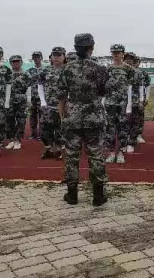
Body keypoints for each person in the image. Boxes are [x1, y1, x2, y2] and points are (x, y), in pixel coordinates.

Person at [57, 33, 109, 206]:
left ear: (75, 48)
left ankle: (72, 194)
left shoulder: (67, 69)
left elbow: (61, 95)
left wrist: (63, 115)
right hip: (94, 115)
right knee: (96, 155)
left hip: (73, 115)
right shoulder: (100, 69)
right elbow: (103, 92)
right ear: (91, 48)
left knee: (72, 155)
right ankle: (98, 195)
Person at [104, 44, 134, 164]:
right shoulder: (107, 69)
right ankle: (111, 152)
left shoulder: (128, 69)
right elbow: (104, 88)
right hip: (110, 103)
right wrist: (103, 103)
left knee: (123, 129)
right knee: (110, 129)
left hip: (123, 104)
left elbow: (130, 88)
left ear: (123, 54)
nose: (116, 54)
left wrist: (129, 106)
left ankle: (121, 152)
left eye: (118, 52)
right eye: (114, 52)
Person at [38, 46, 67, 159]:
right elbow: (40, 85)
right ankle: (49, 149)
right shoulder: (45, 70)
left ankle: (60, 150)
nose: (56, 58)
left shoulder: (68, 70)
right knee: (45, 129)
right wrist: (42, 100)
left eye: (59, 55)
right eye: (54, 55)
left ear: (64, 57)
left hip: (63, 106)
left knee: (61, 129)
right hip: (48, 105)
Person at [5, 55, 32, 151]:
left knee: (21, 120)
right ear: (10, 63)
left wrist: (29, 101)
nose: (16, 63)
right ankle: (11, 140)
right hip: (10, 98)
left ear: (21, 62)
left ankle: (18, 140)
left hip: (22, 98)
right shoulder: (8, 74)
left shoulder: (26, 74)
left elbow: (29, 88)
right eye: (14, 62)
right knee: (9, 119)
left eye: (18, 61)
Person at [124, 52, 145, 153]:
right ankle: (123, 142)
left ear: (134, 61)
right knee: (123, 123)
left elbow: (141, 87)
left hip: (134, 101)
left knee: (134, 122)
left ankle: (131, 143)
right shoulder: (119, 71)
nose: (128, 60)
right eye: (126, 59)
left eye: (131, 59)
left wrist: (141, 100)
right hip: (121, 101)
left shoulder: (138, 73)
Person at [27, 51, 43, 140]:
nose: (36, 59)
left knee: (42, 116)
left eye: (38, 57)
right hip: (32, 96)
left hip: (42, 97)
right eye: (34, 57)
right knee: (32, 116)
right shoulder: (30, 71)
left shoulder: (45, 70)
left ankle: (41, 134)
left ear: (41, 58)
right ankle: (33, 133)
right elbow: (27, 84)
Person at [135, 55, 151, 144]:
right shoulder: (126, 71)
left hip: (140, 98)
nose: (135, 63)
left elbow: (147, 86)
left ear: (139, 62)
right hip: (127, 98)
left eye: (136, 61)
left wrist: (147, 98)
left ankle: (138, 135)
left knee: (140, 117)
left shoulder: (143, 73)